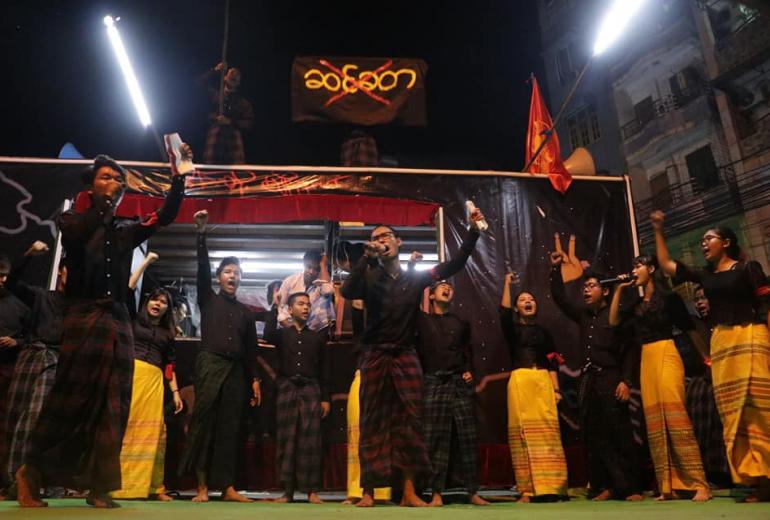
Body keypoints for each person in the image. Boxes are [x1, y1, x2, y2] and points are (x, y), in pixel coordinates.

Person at [16, 150, 188, 508]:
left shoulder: (126, 234)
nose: (115, 183)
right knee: (71, 397)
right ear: (91, 186)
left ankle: (99, 486)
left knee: (114, 404)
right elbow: (81, 233)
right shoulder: (72, 220)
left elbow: (166, 215)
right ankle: (30, 473)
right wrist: (102, 205)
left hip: (118, 320)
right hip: (83, 317)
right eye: (106, 177)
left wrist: (178, 177)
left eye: (118, 180)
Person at [340, 209, 484, 508]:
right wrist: (366, 258)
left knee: (411, 423)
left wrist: (473, 232)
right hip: (376, 353)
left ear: (398, 242)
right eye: (375, 238)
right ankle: (368, 491)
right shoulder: (368, 275)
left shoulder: (417, 278)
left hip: (406, 354)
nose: (380, 241)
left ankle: (409, 491)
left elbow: (455, 264)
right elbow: (347, 290)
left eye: (385, 236)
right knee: (372, 421)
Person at [651, 210, 770, 502]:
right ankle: (754, 481)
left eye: (709, 239)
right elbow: (667, 265)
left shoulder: (747, 269)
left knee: (758, 409)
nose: (704, 244)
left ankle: (768, 480)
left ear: (726, 242)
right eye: (702, 241)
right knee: (732, 414)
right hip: (723, 343)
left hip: (751, 336)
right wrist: (658, 230)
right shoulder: (704, 275)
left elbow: (766, 306)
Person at [608, 255, 710, 501]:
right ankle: (668, 485)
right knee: (654, 421)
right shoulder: (636, 305)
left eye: (638, 265)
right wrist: (619, 290)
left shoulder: (669, 298)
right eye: (632, 266)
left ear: (651, 269)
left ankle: (699, 484)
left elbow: (690, 329)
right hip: (647, 359)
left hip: (666, 351)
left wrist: (707, 360)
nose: (634, 270)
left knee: (676, 415)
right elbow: (613, 321)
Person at [178, 209, 261, 503]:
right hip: (209, 365)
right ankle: (201, 487)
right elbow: (202, 268)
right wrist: (201, 235)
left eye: (237, 273)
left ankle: (226, 487)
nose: (233, 276)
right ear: (219, 277)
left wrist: (254, 380)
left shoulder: (246, 313)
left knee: (230, 429)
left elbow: (251, 350)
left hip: (237, 373)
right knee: (204, 425)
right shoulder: (207, 298)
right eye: (227, 272)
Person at [549, 251, 642, 501]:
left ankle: (630, 487)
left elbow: (631, 350)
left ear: (606, 291)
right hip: (588, 381)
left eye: (591, 286)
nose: (585, 290)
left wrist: (626, 381)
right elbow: (559, 297)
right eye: (584, 286)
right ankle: (606, 486)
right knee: (594, 435)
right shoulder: (582, 315)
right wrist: (556, 269)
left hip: (611, 378)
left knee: (619, 432)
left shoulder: (618, 316)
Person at [1, 242, 65, 497]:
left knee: (39, 419)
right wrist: (28, 255)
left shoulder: (80, 304)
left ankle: (43, 481)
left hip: (57, 360)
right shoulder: (42, 296)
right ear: (62, 272)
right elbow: (13, 283)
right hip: (30, 357)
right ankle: (14, 479)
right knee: (17, 418)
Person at [417, 281, 488, 506]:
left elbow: (468, 351)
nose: (447, 289)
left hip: (458, 382)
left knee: (467, 438)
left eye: (450, 287)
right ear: (430, 295)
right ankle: (435, 492)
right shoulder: (422, 320)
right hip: (434, 382)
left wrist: (469, 371)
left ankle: (472, 491)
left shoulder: (460, 322)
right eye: (441, 287)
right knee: (434, 438)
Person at [500, 273, 568, 502]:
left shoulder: (545, 333)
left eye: (531, 299)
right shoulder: (512, 331)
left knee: (548, 435)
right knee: (522, 434)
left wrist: (556, 390)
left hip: (543, 384)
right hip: (520, 382)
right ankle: (527, 491)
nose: (528, 302)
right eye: (522, 300)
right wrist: (508, 285)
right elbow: (503, 314)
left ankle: (553, 488)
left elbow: (553, 363)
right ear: (517, 308)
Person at [112, 284, 184, 501]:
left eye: (163, 302)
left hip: (154, 382)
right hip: (130, 377)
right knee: (125, 429)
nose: (158, 304)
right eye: (155, 299)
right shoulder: (132, 321)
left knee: (155, 433)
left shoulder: (168, 333)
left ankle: (154, 488)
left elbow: (169, 365)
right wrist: (145, 263)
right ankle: (116, 485)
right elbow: (127, 290)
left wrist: (176, 392)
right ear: (146, 302)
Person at [263, 292, 329, 504]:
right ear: (290, 309)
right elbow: (268, 333)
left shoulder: (317, 337)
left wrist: (325, 398)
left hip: (311, 388)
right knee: (287, 439)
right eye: (300, 304)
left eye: (308, 304)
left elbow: (324, 370)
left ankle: (311, 491)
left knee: (311, 440)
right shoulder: (282, 335)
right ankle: (287, 491)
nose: (306, 308)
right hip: (287, 387)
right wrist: (275, 306)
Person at [200, 62, 254, 164]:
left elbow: (249, 124)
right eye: (231, 72)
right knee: (212, 172)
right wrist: (215, 70)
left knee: (235, 173)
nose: (234, 75)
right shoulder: (214, 95)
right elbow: (199, 83)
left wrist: (230, 121)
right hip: (215, 136)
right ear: (224, 78)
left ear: (239, 82)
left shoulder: (243, 103)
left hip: (233, 138)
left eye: (237, 75)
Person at [276, 251, 335, 332]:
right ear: (304, 265)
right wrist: (291, 327)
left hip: (313, 330)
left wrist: (323, 265)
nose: (311, 271)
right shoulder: (290, 281)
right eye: (309, 267)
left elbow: (328, 291)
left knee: (326, 301)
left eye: (316, 269)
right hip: (290, 324)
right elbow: (281, 306)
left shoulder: (321, 283)